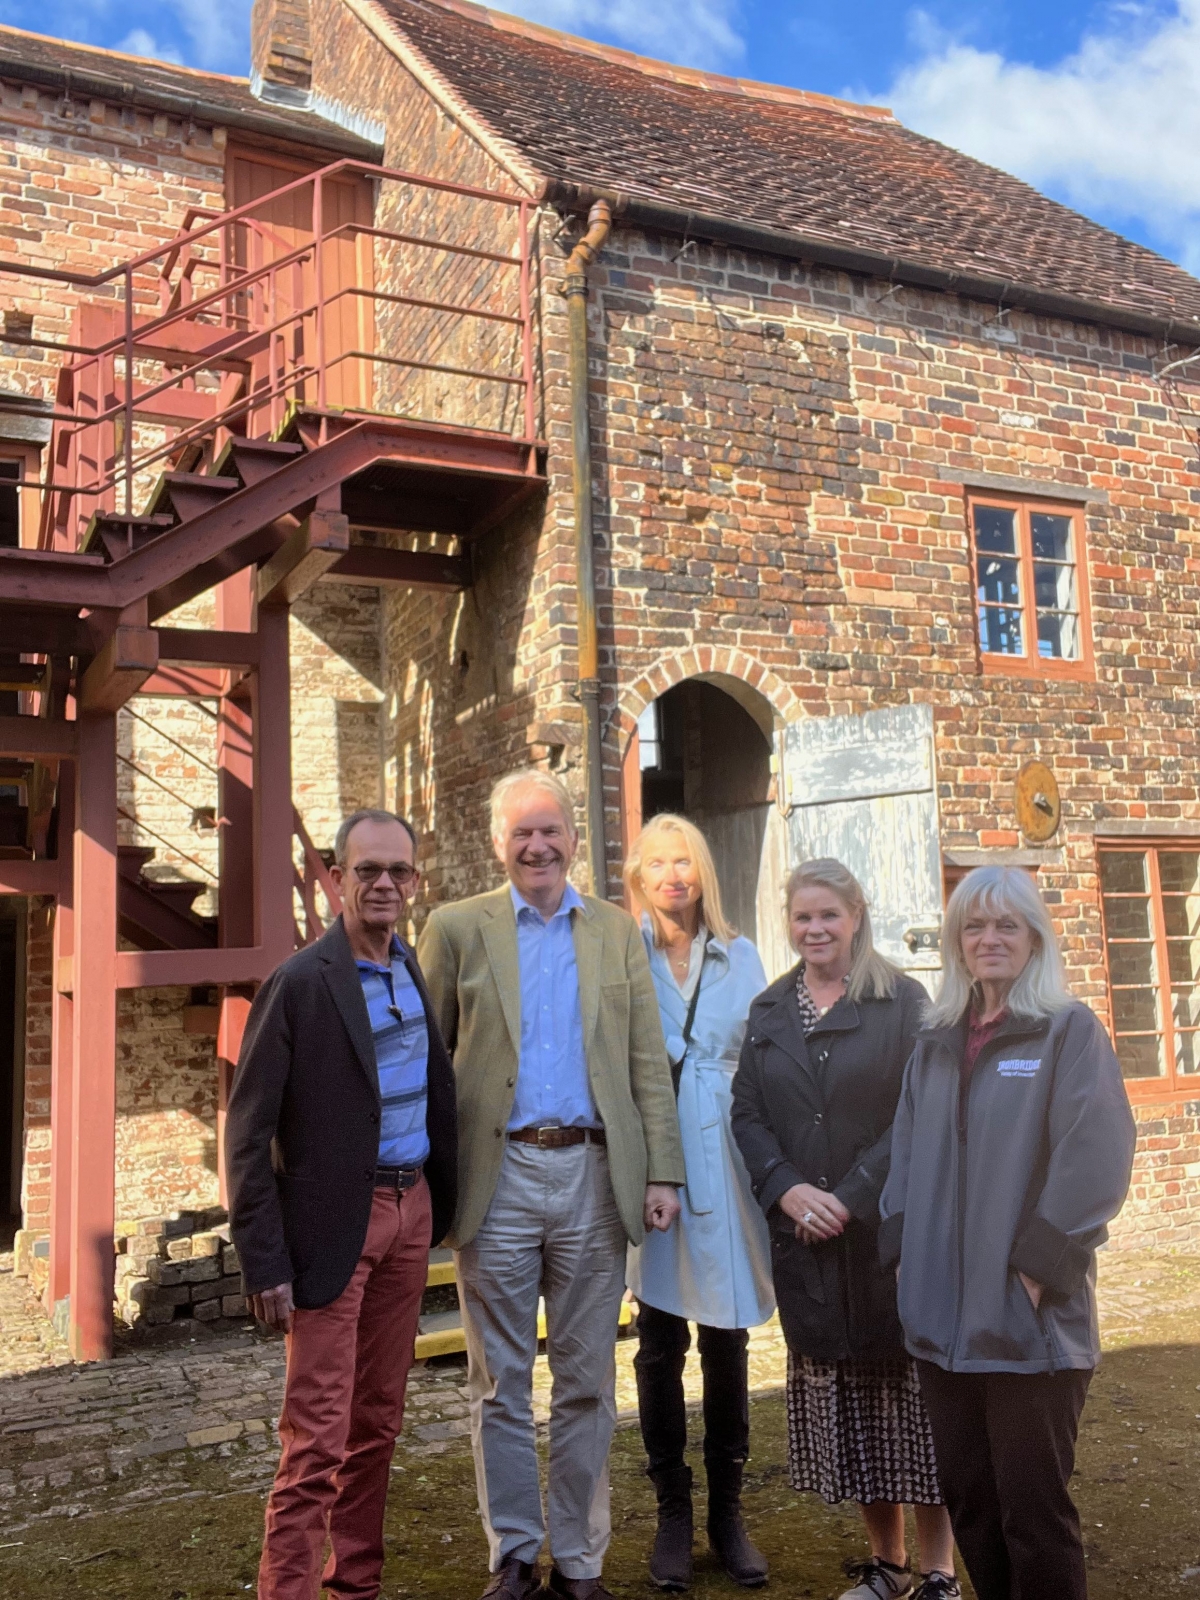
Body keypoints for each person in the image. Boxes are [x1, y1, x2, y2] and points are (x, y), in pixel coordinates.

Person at [417, 769, 685, 1600]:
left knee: (586, 1380)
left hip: (594, 1175)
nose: (537, 846)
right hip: (496, 1181)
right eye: (520, 833)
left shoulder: (613, 930)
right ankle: (513, 1553)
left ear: (574, 837)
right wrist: (430, 1178)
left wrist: (663, 1170)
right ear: (499, 843)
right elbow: (428, 1062)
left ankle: (578, 1558)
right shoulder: (457, 929)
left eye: (550, 831)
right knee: (497, 1382)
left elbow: (645, 1058)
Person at [880, 866, 1136, 1600]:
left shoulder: (1067, 1032)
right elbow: (903, 1153)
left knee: (1035, 1518)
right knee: (974, 1510)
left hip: (1031, 1331)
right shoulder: (934, 1041)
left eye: (1006, 926)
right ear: (957, 943)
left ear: (1034, 939)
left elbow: (1097, 1158)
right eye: (974, 926)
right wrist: (903, 1257)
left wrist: (1034, 1273)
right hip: (940, 1327)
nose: (989, 939)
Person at [225, 808, 457, 1600]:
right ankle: (285, 1590)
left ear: (415, 881)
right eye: (368, 871)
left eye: (399, 871)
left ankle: (354, 1582)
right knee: (316, 1438)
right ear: (338, 876)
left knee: (379, 1423)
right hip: (331, 1233)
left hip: (410, 1214)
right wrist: (264, 1260)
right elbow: (247, 1135)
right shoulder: (299, 983)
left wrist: (437, 1209)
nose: (385, 884)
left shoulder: (409, 968)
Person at [731, 859, 958, 1600]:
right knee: (853, 1407)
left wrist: (853, 1195)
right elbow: (748, 1116)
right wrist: (787, 1189)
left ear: (857, 914)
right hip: (807, 1242)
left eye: (829, 915)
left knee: (913, 1407)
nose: (816, 929)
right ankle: (886, 1565)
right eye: (803, 918)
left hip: (886, 1236)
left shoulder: (902, 1002)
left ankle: (938, 1574)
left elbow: (916, 1113)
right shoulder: (769, 1012)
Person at [624, 814, 775, 1592]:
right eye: (658, 862)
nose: (673, 874)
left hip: (723, 1158)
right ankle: (672, 1513)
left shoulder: (739, 955)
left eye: (684, 861)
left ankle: (727, 1511)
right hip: (652, 1156)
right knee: (657, 1339)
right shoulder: (623, 953)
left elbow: (763, 1061)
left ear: (702, 872)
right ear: (638, 875)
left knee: (725, 1338)